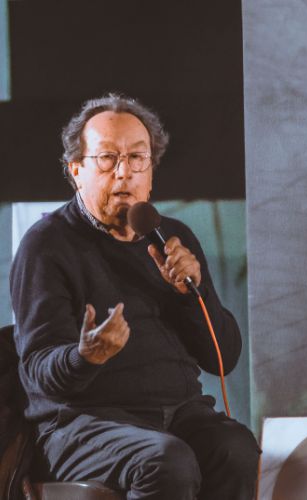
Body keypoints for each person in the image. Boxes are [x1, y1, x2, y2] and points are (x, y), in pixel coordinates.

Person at [10, 93, 260, 500]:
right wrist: (86, 356)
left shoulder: (172, 238)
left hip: (178, 414)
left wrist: (190, 294)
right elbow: (39, 370)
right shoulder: (47, 245)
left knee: (235, 449)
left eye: (137, 158)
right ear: (76, 170)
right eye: (107, 158)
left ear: (151, 172)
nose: (124, 172)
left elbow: (223, 357)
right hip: (81, 424)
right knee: (167, 460)